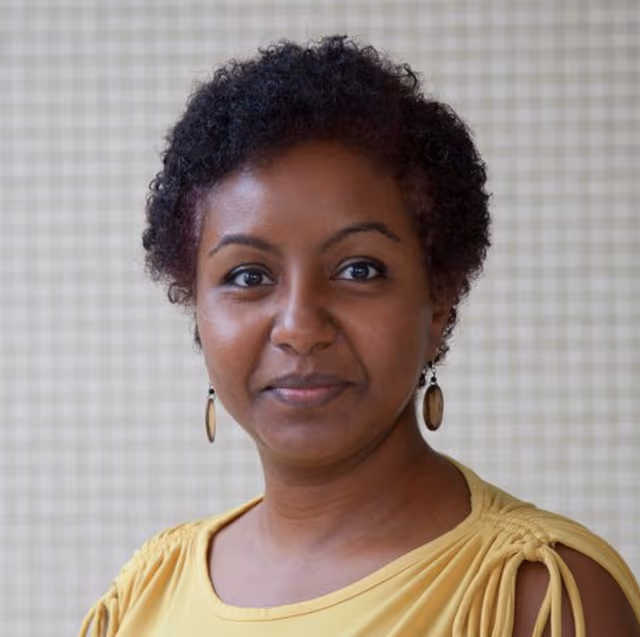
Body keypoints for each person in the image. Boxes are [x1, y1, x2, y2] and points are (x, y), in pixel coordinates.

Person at [80, 35, 640, 636]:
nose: (300, 328)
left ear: (438, 302)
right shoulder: (144, 595)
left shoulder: (538, 596)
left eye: (359, 270)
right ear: (196, 308)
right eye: (249, 276)